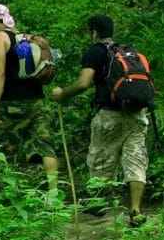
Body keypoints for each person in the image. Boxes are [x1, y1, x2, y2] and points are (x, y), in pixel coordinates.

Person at [52, 14, 150, 225]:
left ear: (94, 32)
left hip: (110, 115)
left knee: (100, 158)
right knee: (136, 159)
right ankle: (135, 210)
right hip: (137, 114)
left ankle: (97, 203)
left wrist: (62, 94)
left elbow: (83, 83)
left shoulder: (95, 52)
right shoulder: (128, 51)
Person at [0, 3, 59, 199]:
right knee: (45, 145)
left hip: (12, 103)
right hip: (38, 101)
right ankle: (54, 194)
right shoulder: (27, 38)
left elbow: (0, 71)